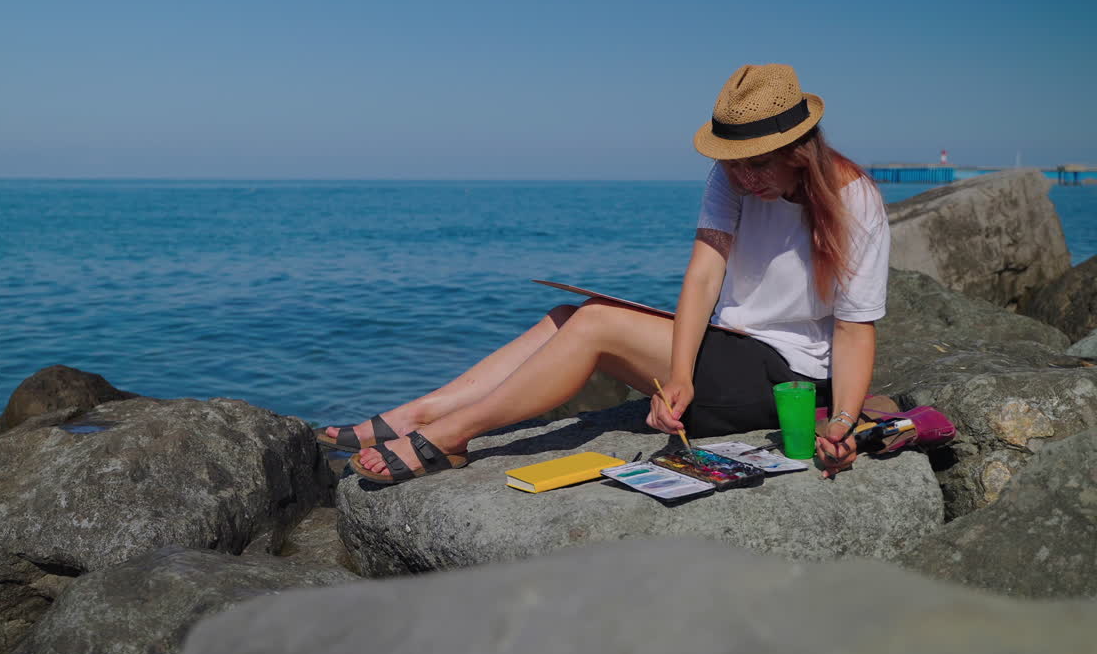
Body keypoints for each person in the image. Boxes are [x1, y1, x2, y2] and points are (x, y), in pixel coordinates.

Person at [319, 63, 889, 483]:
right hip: (730, 347)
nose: (746, 179)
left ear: (798, 148)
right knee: (569, 316)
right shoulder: (732, 178)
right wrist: (682, 375)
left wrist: (840, 421)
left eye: (758, 164)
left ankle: (450, 436)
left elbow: (854, 327)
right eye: (734, 164)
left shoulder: (853, 199)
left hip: (788, 376)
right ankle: (420, 412)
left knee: (593, 325)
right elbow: (703, 276)